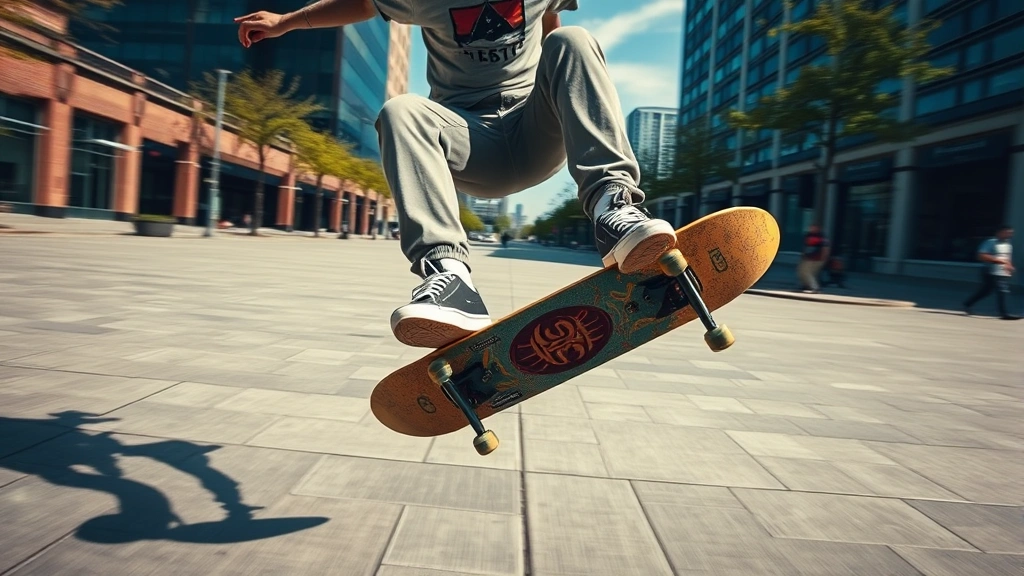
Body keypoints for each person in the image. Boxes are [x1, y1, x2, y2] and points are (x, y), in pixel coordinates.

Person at [235, 0, 677, 348]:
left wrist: (562, 88)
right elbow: (362, 4)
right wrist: (286, 22)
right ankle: (448, 276)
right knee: (402, 110)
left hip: (534, 131)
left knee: (574, 41)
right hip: (468, 142)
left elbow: (551, 25)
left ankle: (613, 209)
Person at [963, 225, 1018, 320]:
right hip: (989, 270)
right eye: (1007, 232)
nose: (1010, 234)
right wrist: (999, 261)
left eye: (1011, 233)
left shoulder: (1008, 244)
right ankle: (1004, 314)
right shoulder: (991, 242)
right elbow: (982, 255)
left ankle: (968, 303)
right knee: (1002, 290)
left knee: (986, 291)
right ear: (1000, 232)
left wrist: (1009, 265)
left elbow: (1006, 257)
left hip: (1001, 271)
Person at [797, 224, 830, 293]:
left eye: (813, 227)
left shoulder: (821, 237)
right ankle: (806, 285)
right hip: (808, 257)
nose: (811, 229)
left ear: (818, 228)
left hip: (816, 258)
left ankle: (814, 287)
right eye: (811, 227)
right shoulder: (808, 235)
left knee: (807, 272)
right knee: (802, 271)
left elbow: (825, 248)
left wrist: (824, 257)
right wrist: (804, 255)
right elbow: (805, 246)